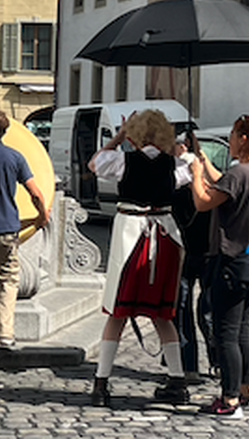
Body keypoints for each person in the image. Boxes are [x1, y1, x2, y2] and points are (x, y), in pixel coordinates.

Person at [86, 109, 192, 407]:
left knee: (118, 311)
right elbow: (187, 176)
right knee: (162, 313)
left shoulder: (122, 160)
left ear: (134, 134)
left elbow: (94, 163)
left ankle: (101, 383)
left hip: (132, 234)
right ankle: (178, 381)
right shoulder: (176, 165)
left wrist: (118, 138)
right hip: (166, 236)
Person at [189, 109, 249, 419]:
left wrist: (194, 173)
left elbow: (203, 201)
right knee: (242, 332)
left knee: (226, 334)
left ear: (242, 138)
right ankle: (247, 392)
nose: (229, 140)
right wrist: (204, 161)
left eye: (231, 135)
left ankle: (228, 401)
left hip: (233, 262)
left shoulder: (240, 174)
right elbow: (224, 183)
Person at [0, 108, 50, 349]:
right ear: (5, 131)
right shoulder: (15, 157)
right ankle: (6, 334)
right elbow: (35, 193)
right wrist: (42, 215)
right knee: (6, 279)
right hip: (7, 228)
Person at [171, 135, 216, 382]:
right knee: (192, 311)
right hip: (193, 255)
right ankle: (203, 363)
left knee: (194, 311)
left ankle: (196, 363)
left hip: (196, 254)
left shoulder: (200, 193)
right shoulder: (206, 190)